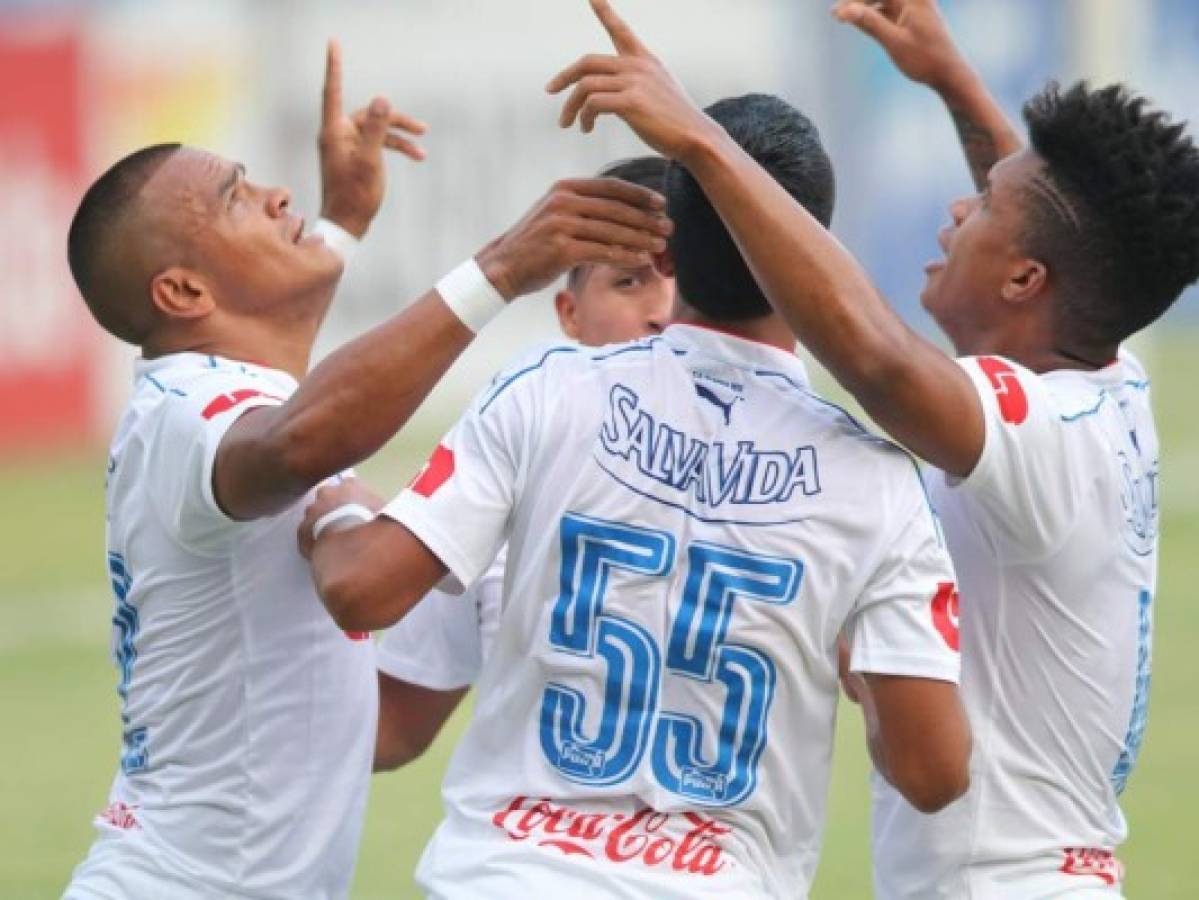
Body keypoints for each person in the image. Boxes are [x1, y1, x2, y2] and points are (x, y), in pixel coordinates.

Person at [299, 28, 971, 900]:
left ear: (670, 246)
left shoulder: (543, 393)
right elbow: (932, 773)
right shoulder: (876, 479)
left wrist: (336, 512)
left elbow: (362, 593)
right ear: (811, 253)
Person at [550, 0, 1199, 895]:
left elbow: (876, 360)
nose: (959, 205)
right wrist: (950, 78)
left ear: (1022, 279)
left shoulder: (1036, 436)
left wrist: (706, 148)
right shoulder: (1106, 377)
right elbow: (1052, 234)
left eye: (982, 209)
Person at [61, 36, 671, 900]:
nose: (277, 194)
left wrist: (340, 224)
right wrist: (498, 271)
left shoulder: (212, 386)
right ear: (183, 294)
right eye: (238, 198)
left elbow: (285, 381)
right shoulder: (187, 418)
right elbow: (299, 441)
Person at [374, 155, 676, 771]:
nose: (662, 311)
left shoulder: (796, 470)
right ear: (569, 315)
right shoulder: (507, 456)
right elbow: (393, 729)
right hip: (522, 859)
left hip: (703, 860)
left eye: (687, 284)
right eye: (629, 281)